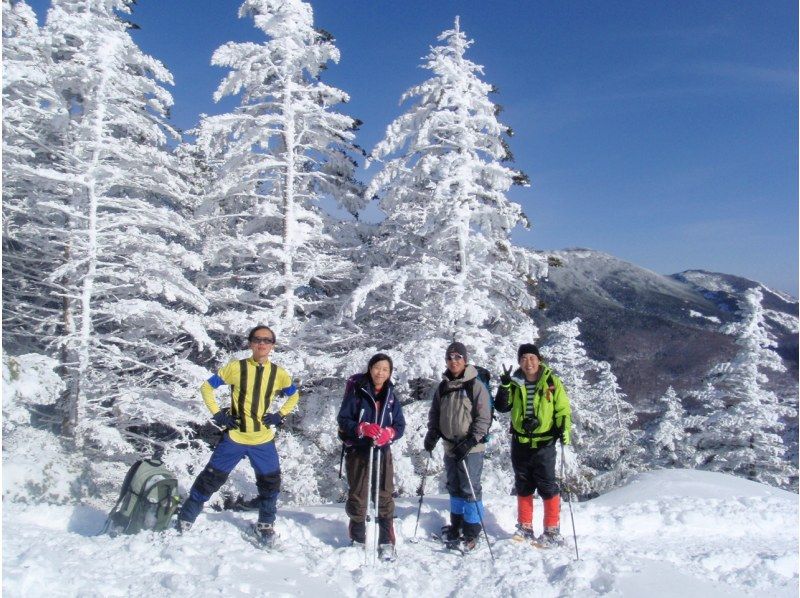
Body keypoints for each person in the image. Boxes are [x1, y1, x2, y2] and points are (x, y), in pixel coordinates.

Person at [175, 324, 300, 547]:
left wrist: (280, 415)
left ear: (273, 345)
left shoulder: (278, 373)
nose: (262, 344)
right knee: (210, 478)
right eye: (258, 339)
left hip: (262, 440)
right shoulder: (235, 368)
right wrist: (217, 415)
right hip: (234, 437)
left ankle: (265, 524)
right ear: (251, 343)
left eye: (267, 340)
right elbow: (206, 388)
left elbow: (293, 395)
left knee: (270, 483)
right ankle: (186, 518)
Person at [494, 343, 572, 547]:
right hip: (520, 442)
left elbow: (562, 409)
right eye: (523, 359)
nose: (528, 363)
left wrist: (564, 430)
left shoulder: (551, 382)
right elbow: (502, 407)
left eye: (532, 358)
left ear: (539, 360)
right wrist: (504, 387)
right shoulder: (514, 382)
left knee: (547, 485)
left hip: (544, 442)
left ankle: (552, 530)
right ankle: (525, 527)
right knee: (523, 484)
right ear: (519, 362)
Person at [423, 342, 491, 552]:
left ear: (465, 360)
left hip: (471, 447)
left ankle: (471, 530)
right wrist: (432, 432)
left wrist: (471, 441)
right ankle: (457, 524)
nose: (454, 361)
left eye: (458, 357)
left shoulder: (475, 385)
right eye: (450, 358)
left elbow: (484, 417)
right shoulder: (443, 387)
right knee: (454, 486)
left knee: (470, 488)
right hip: (450, 446)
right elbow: (435, 412)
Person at [337, 353, 405, 560]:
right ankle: (358, 538)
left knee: (384, 494)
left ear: (390, 373)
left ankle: (386, 541)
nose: (380, 373)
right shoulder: (358, 391)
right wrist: (361, 428)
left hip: (382, 451)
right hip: (359, 450)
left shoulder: (391, 394)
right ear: (370, 368)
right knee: (358, 493)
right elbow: (343, 419)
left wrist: (389, 434)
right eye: (377, 368)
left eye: (385, 369)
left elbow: (400, 425)